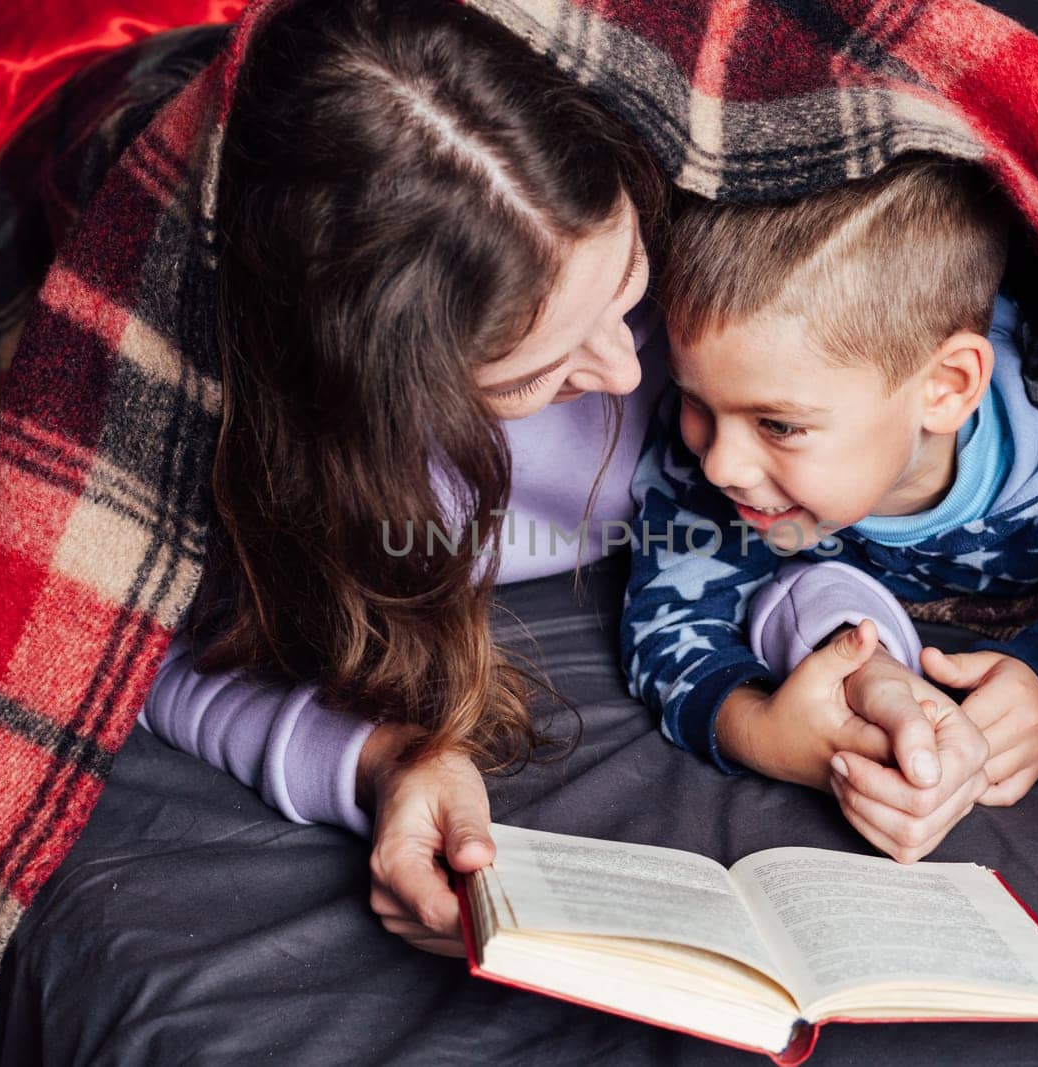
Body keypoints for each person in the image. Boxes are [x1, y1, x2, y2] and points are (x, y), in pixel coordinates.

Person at [140, 0, 668, 957]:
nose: (628, 374)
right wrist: (386, 758)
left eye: (624, 282)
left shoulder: (691, 247)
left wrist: (849, 632)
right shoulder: (256, 441)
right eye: (534, 377)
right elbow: (129, 652)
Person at [623, 158, 1038, 863]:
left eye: (779, 426)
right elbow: (671, 621)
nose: (720, 466)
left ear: (947, 389)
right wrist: (760, 731)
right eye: (695, 402)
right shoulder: (728, 415)